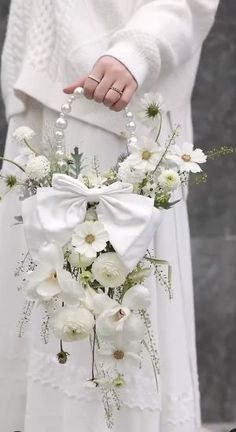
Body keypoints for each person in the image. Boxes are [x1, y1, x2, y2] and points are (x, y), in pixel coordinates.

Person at [0, 0, 219, 431]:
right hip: (39, 112)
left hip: (114, 109)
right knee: (35, 303)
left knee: (109, 316)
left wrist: (136, 50)